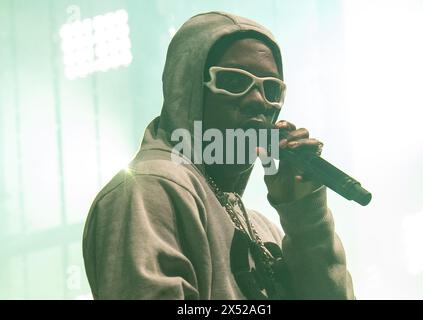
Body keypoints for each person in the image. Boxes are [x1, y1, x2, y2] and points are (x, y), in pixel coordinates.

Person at [82, 11, 354, 300]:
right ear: (185, 89)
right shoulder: (149, 189)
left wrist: (305, 216)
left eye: (271, 89)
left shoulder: (263, 228)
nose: (258, 100)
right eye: (234, 82)